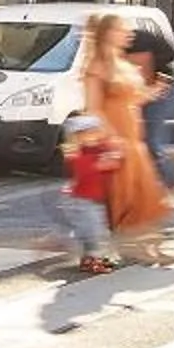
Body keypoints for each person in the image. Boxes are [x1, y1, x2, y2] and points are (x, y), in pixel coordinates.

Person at [79, 11, 171, 263]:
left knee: (145, 197)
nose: (128, 33)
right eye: (122, 29)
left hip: (133, 142)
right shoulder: (97, 67)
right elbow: (93, 108)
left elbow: (135, 98)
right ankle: (106, 249)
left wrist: (155, 91)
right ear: (108, 34)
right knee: (120, 200)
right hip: (115, 143)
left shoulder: (123, 64)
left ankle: (147, 248)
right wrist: (110, 138)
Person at [48, 112, 119, 275]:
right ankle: (92, 259)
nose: (95, 136)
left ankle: (90, 257)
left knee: (97, 228)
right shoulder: (77, 155)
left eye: (96, 131)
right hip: (80, 200)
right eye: (89, 133)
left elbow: (112, 155)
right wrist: (102, 164)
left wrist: (113, 153)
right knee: (92, 230)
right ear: (77, 137)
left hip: (94, 198)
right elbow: (86, 170)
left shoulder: (96, 148)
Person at [122, 10, 174, 176]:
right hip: (148, 90)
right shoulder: (125, 46)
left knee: (151, 139)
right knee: (143, 138)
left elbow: (145, 72)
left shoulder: (139, 43)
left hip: (161, 90)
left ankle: (167, 179)